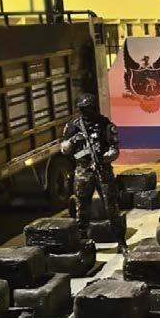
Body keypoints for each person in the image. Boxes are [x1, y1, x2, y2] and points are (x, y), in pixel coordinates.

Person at [61, 93, 128, 255]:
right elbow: (64, 149)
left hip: (102, 170)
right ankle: (83, 242)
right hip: (83, 170)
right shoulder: (73, 126)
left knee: (111, 206)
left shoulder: (105, 125)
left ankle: (121, 242)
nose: (86, 112)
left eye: (88, 109)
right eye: (83, 109)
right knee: (82, 208)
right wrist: (73, 141)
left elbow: (115, 149)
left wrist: (105, 157)